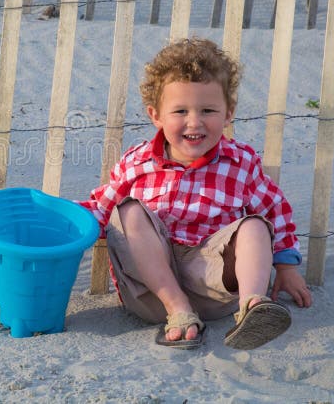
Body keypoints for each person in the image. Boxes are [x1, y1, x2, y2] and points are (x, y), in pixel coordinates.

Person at [79, 37, 312, 350]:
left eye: (208, 110)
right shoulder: (137, 162)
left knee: (255, 225)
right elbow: (100, 209)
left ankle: (253, 306)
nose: (194, 122)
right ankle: (178, 310)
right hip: (152, 293)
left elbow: (275, 210)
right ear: (155, 115)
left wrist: (286, 266)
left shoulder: (240, 163)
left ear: (229, 113)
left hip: (214, 286)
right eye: (180, 111)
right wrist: (61, 222)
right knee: (128, 211)